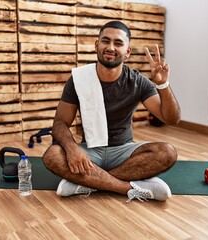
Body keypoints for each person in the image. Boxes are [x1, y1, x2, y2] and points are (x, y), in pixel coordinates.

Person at [42, 21, 181, 202]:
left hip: (124, 151)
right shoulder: (79, 79)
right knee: (52, 155)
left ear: (127, 52)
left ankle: (87, 182)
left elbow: (171, 119)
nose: (110, 47)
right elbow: (60, 123)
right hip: (90, 150)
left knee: (167, 152)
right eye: (105, 41)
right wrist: (72, 150)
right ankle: (126, 188)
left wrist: (162, 84)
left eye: (118, 43)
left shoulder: (138, 82)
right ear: (96, 45)